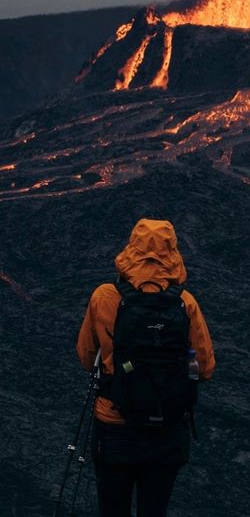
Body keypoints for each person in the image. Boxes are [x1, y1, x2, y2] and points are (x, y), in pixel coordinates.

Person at [76, 219, 215, 517]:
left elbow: (86, 356)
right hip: (166, 429)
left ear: (130, 249)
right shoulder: (184, 304)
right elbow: (204, 368)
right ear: (172, 251)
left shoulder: (104, 297)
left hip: (114, 427)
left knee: (113, 510)